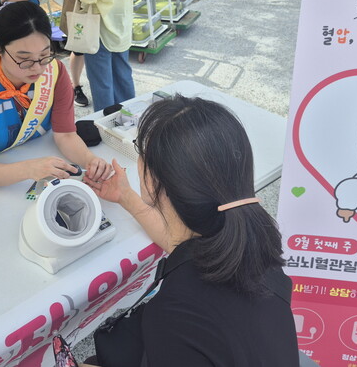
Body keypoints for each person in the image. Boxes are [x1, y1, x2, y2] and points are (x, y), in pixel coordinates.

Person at [83, 96, 300, 367]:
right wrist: (126, 197)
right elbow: (180, 243)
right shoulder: (246, 242)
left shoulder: (173, 314)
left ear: (152, 178)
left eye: (141, 149)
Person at [0, 1, 112, 188]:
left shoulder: (54, 71)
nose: (37, 68)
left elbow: (66, 135)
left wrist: (90, 161)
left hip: (21, 154)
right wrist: (30, 169)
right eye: (24, 58)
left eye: (44, 55)